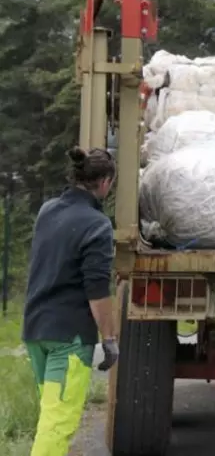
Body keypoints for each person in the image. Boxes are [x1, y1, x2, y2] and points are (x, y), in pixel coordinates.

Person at [22, 147, 120, 456]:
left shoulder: (47, 210)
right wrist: (109, 339)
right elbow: (97, 290)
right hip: (69, 339)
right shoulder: (97, 225)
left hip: (36, 330)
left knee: (51, 416)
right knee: (57, 424)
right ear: (104, 182)